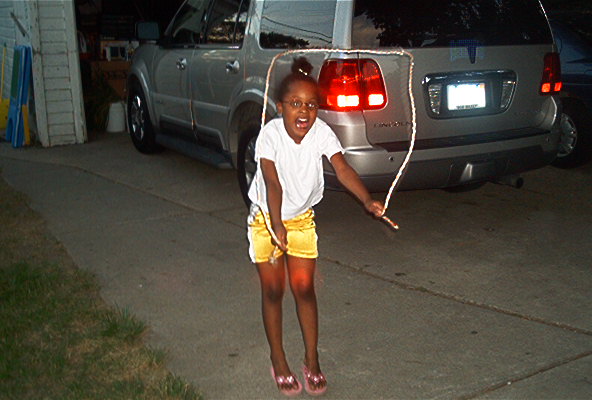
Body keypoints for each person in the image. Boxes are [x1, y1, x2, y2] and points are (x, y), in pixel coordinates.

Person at [247, 57, 384, 397]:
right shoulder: (270, 135)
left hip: (302, 219)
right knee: (274, 291)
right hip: (267, 219)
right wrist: (277, 224)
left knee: (304, 289)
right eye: (295, 104)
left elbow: (343, 169)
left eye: (311, 104)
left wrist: (367, 200)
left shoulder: (322, 133)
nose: (304, 111)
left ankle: (312, 357)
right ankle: (278, 358)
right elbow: (272, 183)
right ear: (280, 107)